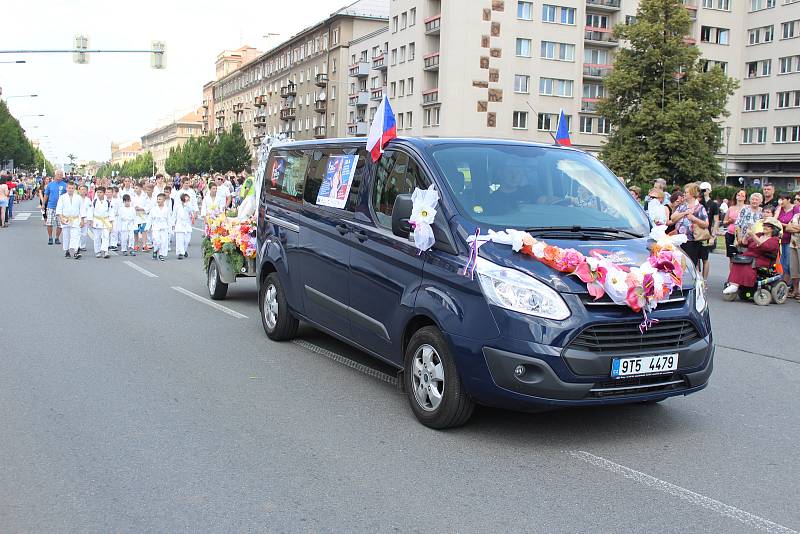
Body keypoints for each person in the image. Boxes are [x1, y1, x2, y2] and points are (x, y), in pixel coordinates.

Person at [723, 217, 782, 295]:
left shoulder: (774, 240)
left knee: (748, 263)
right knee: (737, 260)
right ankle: (734, 284)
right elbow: (744, 243)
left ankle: (738, 284)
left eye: (768, 226)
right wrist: (747, 235)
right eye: (764, 225)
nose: (764, 227)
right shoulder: (759, 234)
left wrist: (753, 235)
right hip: (750, 256)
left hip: (763, 258)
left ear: (773, 229)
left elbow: (763, 246)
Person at [670, 182, 709, 270]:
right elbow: (672, 218)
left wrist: (694, 219)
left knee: (689, 266)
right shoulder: (683, 206)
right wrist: (684, 213)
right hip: (679, 240)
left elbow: (706, 224)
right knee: (677, 265)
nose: (684, 194)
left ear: (692, 194)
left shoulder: (700, 208)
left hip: (691, 242)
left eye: (686, 192)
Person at [55, 181, 85, 259]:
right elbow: (59, 209)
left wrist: (82, 220)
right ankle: (67, 251)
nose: (71, 189)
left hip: (75, 219)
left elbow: (81, 209)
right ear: (66, 188)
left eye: (72, 188)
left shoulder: (78, 197)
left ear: (74, 188)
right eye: (69, 188)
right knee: (66, 236)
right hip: (66, 219)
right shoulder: (62, 197)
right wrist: (61, 218)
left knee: (76, 235)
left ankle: (76, 251)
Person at [775, 192, 799, 290]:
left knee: (789, 264)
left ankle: (790, 285)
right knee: (783, 263)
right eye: (780, 199)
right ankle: (785, 284)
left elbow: (794, 224)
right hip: (781, 239)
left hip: (791, 240)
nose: (781, 201)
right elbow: (774, 221)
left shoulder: (795, 209)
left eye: (783, 199)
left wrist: (782, 224)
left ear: (788, 200)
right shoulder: (779, 209)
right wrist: (779, 208)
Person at [698, 182, 719, 281]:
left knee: (705, 258)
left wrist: (713, 236)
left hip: (706, 234)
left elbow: (716, 221)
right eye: (702, 190)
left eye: (705, 189)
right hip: (696, 233)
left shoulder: (714, 204)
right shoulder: (698, 202)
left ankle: (704, 280)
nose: (703, 192)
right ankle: (697, 279)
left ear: (709, 190)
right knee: (696, 258)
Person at [43, 170, 68, 244]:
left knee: (60, 224)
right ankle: (50, 237)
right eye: (58, 174)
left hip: (61, 208)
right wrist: (43, 204)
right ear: (55, 175)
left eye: (61, 175)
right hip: (51, 206)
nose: (59, 176)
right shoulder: (50, 185)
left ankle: (57, 238)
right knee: (49, 223)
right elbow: (46, 195)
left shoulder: (65, 185)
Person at [89, 186, 114, 259]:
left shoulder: (108, 202)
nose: (99, 194)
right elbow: (90, 211)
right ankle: (97, 251)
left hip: (105, 220)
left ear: (104, 193)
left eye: (101, 192)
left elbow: (111, 212)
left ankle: (105, 251)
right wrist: (90, 220)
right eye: (98, 192)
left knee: (106, 236)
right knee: (97, 237)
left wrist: (111, 221)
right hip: (97, 220)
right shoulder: (94, 201)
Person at [723, 189, 747, 262]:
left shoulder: (747, 208)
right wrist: (729, 221)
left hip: (742, 234)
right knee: (731, 256)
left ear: (745, 198)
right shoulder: (731, 208)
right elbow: (724, 221)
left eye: (742, 195)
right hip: (730, 233)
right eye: (738, 195)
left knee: (741, 255)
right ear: (736, 196)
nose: (740, 197)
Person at [147, 193, 171, 261]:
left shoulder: (167, 209)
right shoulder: (154, 209)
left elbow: (169, 220)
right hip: (156, 228)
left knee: (163, 242)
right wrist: (147, 227)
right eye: (157, 199)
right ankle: (155, 250)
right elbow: (150, 219)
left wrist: (170, 229)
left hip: (164, 228)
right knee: (157, 241)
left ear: (164, 200)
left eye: (160, 199)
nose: (158, 200)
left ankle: (161, 254)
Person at [173, 193, 194, 259]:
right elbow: (174, 215)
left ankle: (184, 251)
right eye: (186, 198)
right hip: (179, 225)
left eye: (188, 198)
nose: (187, 199)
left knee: (187, 240)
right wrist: (172, 224)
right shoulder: (177, 206)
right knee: (180, 240)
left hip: (187, 225)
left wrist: (187, 204)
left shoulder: (189, 205)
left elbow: (191, 211)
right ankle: (180, 253)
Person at [787, 197, 800, 300]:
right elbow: (787, 228)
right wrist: (797, 229)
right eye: (796, 199)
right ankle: (795, 290)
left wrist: (794, 228)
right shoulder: (796, 215)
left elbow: (792, 228)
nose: (797, 201)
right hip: (793, 244)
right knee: (793, 268)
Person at [77, 184, 91, 252]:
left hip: (86, 219)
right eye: (81, 189)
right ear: (79, 190)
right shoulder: (76, 198)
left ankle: (83, 246)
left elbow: (90, 210)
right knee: (77, 233)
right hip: (77, 218)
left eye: (84, 190)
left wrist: (89, 219)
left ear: (86, 191)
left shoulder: (88, 200)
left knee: (84, 234)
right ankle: (77, 245)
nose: (82, 191)